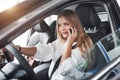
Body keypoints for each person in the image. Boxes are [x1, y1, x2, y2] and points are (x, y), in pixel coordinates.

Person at [14, 10, 95, 80]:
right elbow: (45, 50)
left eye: (65, 24)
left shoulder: (82, 47)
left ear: (75, 25)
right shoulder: (61, 41)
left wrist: (69, 43)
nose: (62, 29)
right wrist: (20, 49)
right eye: (59, 25)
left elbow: (65, 70)